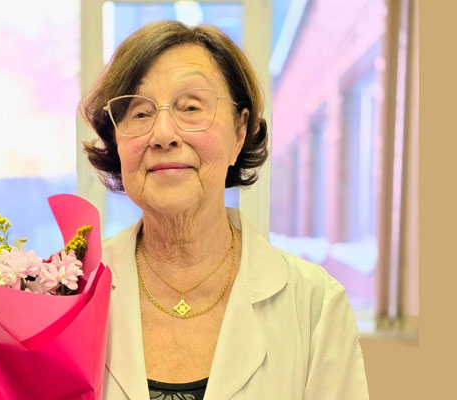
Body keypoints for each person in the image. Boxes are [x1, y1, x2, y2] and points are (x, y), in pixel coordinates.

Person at [80, 21, 369, 400]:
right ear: (117, 141)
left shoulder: (315, 304)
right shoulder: (72, 292)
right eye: (139, 113)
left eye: (190, 107)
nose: (163, 134)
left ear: (239, 132)